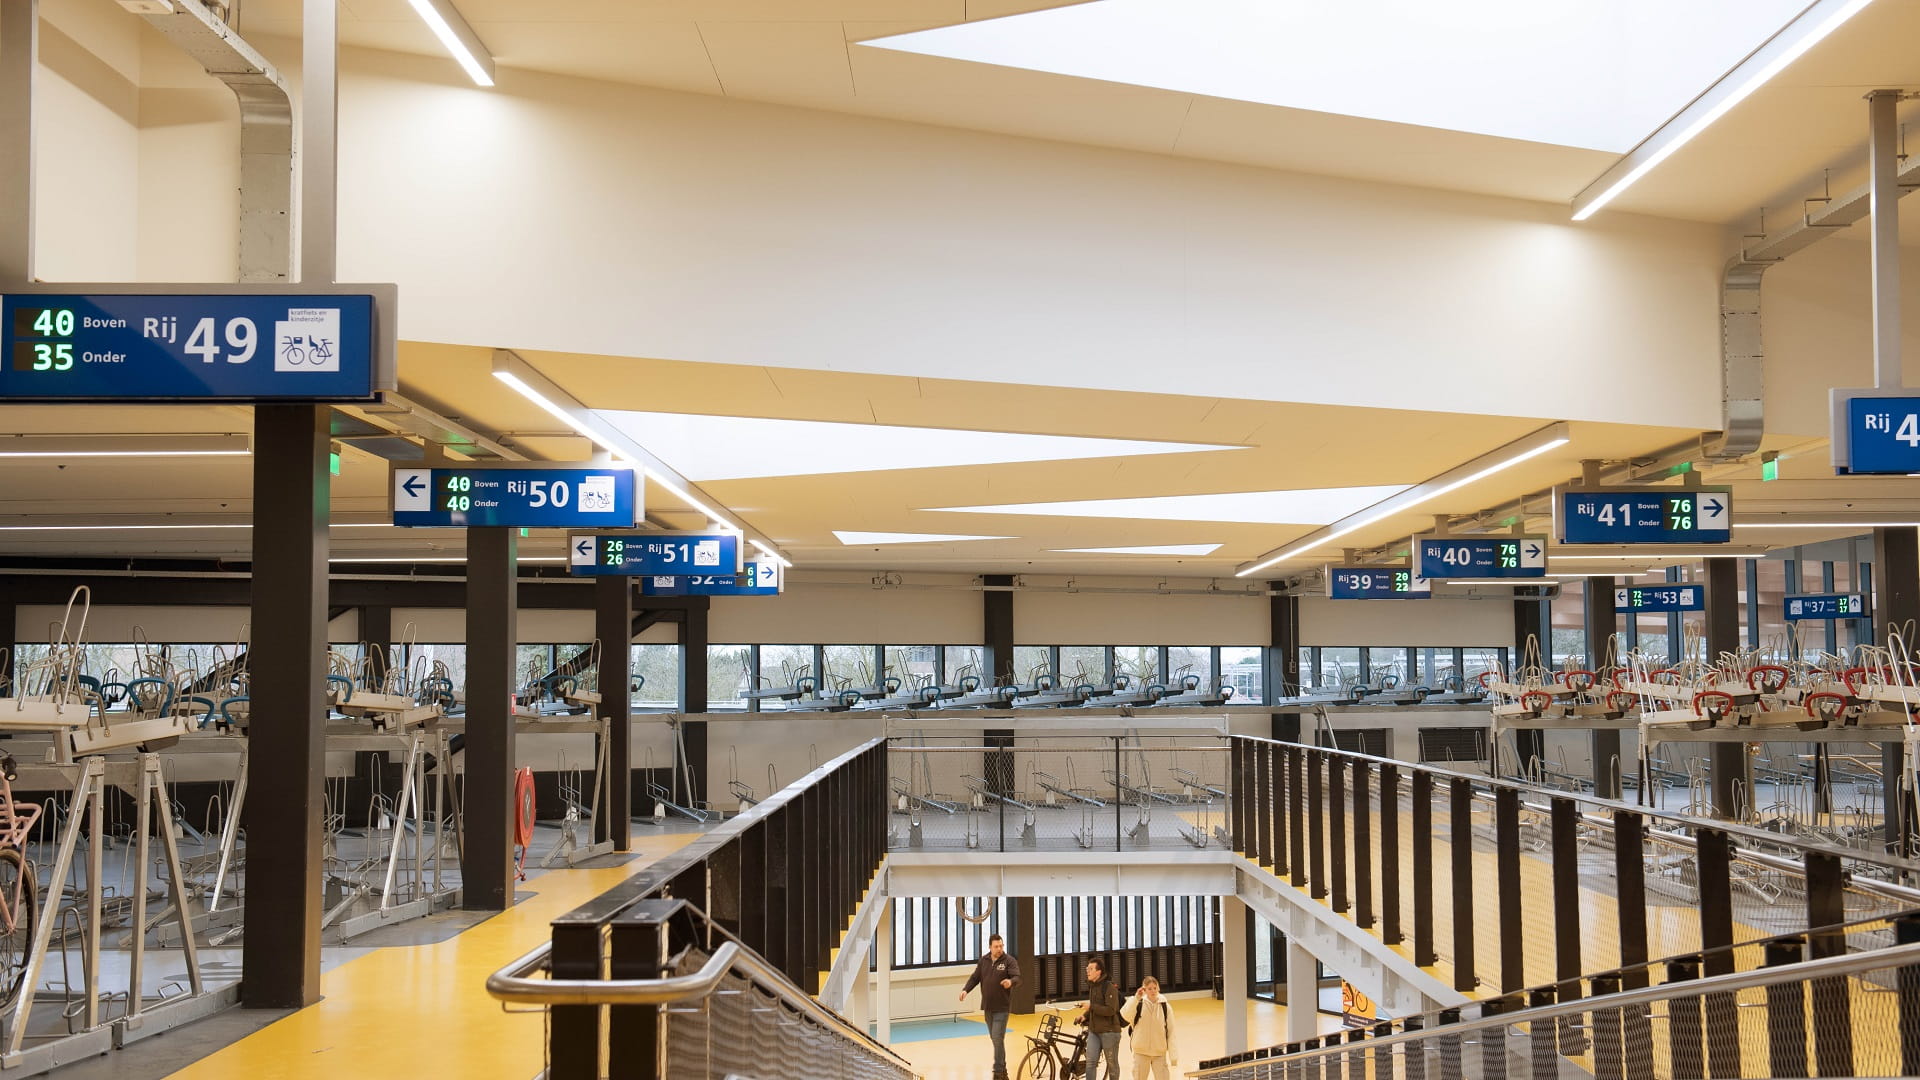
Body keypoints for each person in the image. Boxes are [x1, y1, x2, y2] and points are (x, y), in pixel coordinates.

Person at [959, 934, 1021, 1080]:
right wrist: (965, 990)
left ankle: (998, 1071)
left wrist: (1010, 982)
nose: (999, 949)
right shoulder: (984, 961)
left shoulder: (1009, 961)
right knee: (995, 1039)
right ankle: (1003, 1072)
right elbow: (975, 978)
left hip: (1002, 1007)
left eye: (1001, 946)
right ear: (990, 947)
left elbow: (1017, 977)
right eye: (996, 946)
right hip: (988, 1007)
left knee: (997, 1037)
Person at [1118, 976, 1178, 1080]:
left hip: (1159, 1052)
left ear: (1158, 988)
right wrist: (1136, 998)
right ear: (1144, 989)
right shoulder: (1138, 1004)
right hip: (1141, 1052)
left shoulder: (1165, 1007)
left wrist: (1173, 1056)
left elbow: (1171, 1031)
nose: (1153, 991)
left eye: (1155, 988)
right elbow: (1125, 1014)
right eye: (1149, 988)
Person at [1076, 957, 1122, 1080]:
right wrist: (1084, 1015)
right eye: (1087, 969)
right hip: (1094, 1031)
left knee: (1112, 1064)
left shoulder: (1109, 987)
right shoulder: (1093, 986)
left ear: (1099, 971)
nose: (1088, 971)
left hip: (1110, 1032)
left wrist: (1091, 1006)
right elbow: (1094, 1007)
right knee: (1090, 1063)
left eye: (1091, 969)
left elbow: (1110, 1010)